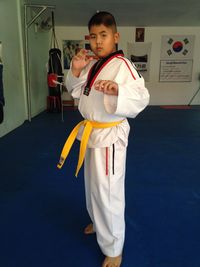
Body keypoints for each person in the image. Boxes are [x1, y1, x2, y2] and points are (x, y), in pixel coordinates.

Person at [57, 11, 150, 267]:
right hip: (92, 134)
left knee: (108, 192)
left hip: (109, 137)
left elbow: (142, 98)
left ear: (115, 37)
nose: (98, 41)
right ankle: (99, 223)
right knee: (92, 186)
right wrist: (75, 70)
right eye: (94, 36)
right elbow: (77, 91)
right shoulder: (92, 63)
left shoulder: (124, 66)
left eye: (104, 35)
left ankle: (113, 248)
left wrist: (118, 89)